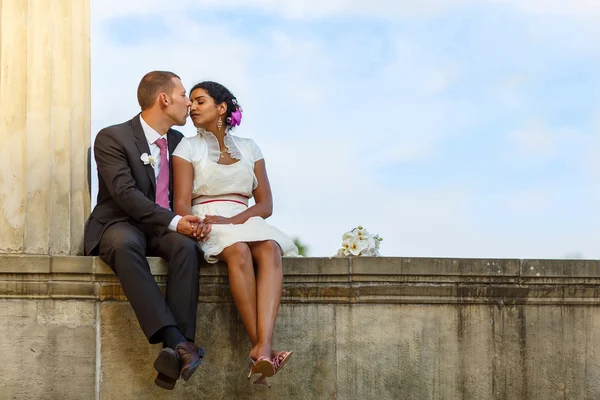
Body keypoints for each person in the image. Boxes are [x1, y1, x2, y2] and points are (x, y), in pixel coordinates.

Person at [84, 71, 211, 390]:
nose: (188, 103)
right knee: (124, 244)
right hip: (119, 221)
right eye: (183, 95)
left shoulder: (180, 143)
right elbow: (125, 194)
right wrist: (174, 221)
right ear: (163, 99)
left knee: (185, 247)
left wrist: (196, 222)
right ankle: (178, 341)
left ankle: (175, 354)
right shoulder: (112, 137)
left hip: (164, 226)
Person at [172, 81, 297, 386]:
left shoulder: (250, 147)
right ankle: (264, 348)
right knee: (239, 251)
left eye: (200, 101)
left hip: (246, 217)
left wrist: (238, 220)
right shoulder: (187, 146)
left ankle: (261, 348)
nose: (192, 108)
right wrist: (195, 222)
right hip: (207, 217)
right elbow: (181, 202)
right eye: (191, 103)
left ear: (222, 107)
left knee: (269, 247)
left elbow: (265, 203)